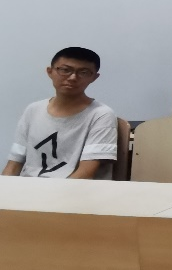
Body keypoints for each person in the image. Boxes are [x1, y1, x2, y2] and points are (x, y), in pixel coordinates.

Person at [4, 47, 116, 179]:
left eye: (83, 72)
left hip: (73, 189)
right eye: (65, 70)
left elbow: (85, 173)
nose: (73, 77)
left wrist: (52, 193)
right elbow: (13, 165)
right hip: (28, 188)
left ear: (94, 77)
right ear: (50, 72)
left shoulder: (101, 115)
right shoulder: (33, 110)